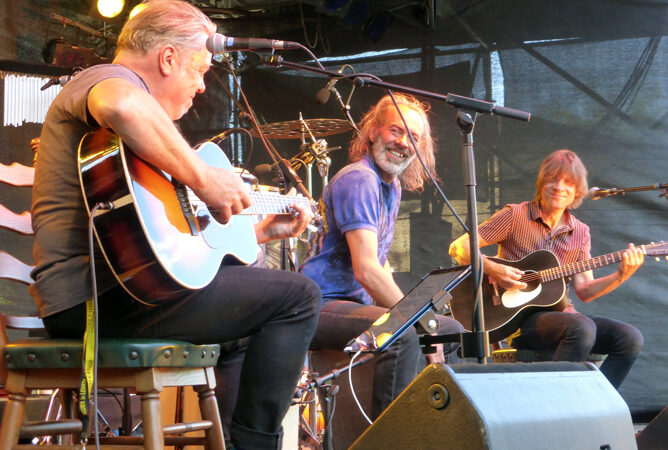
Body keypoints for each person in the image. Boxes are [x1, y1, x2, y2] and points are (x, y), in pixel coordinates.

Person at [30, 1, 320, 448]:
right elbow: (122, 106)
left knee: (248, 317)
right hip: (93, 301)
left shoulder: (148, 138)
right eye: (200, 71)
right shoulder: (108, 82)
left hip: (126, 290)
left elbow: (170, 241)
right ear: (167, 59)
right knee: (298, 297)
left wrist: (261, 233)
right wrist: (204, 179)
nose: (203, 87)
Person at [300, 93, 464, 419]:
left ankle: (444, 425)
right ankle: (388, 438)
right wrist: (418, 318)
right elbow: (366, 270)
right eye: (395, 130)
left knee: (450, 328)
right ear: (373, 132)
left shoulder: (391, 185)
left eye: (413, 137)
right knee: (402, 335)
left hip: (353, 304)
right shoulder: (359, 179)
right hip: (322, 305)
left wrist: (427, 315)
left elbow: (381, 263)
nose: (403, 142)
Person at [449, 149, 644, 389]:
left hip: (563, 317)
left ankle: (595, 403)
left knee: (629, 338)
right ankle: (556, 406)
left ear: (577, 191)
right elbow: (459, 248)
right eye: (553, 179)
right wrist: (495, 270)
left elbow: (584, 290)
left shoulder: (580, 231)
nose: (559, 187)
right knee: (581, 328)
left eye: (568, 182)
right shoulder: (515, 215)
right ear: (542, 182)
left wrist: (620, 275)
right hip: (519, 321)